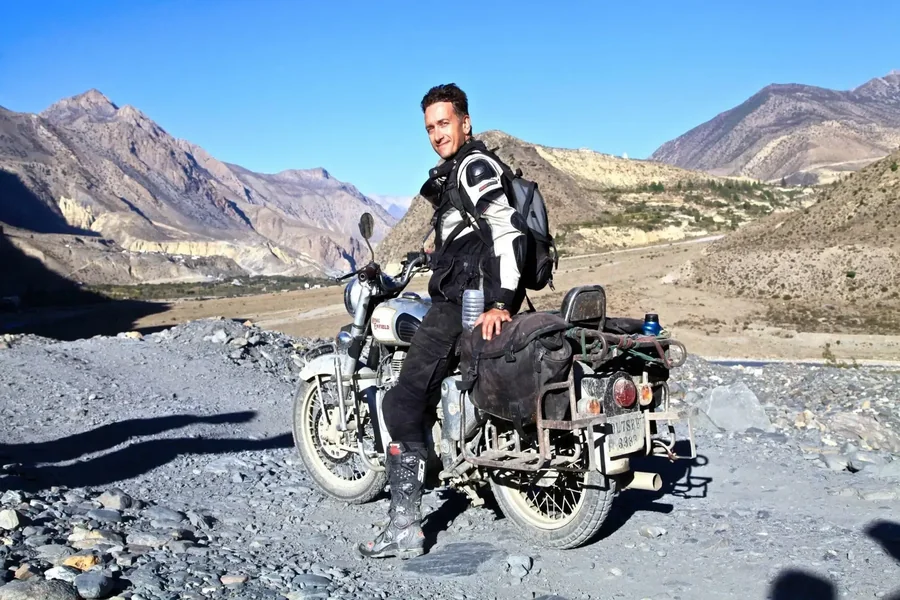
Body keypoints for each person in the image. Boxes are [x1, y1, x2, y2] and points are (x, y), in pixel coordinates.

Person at [357, 83, 527, 559]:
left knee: (401, 401)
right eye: (430, 127)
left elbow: (508, 231)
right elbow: (475, 236)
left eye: (444, 123)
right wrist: (435, 253)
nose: (436, 134)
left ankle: (405, 527)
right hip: (468, 295)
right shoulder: (458, 173)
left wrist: (502, 302)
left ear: (465, 122)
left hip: (462, 305)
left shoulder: (473, 167)